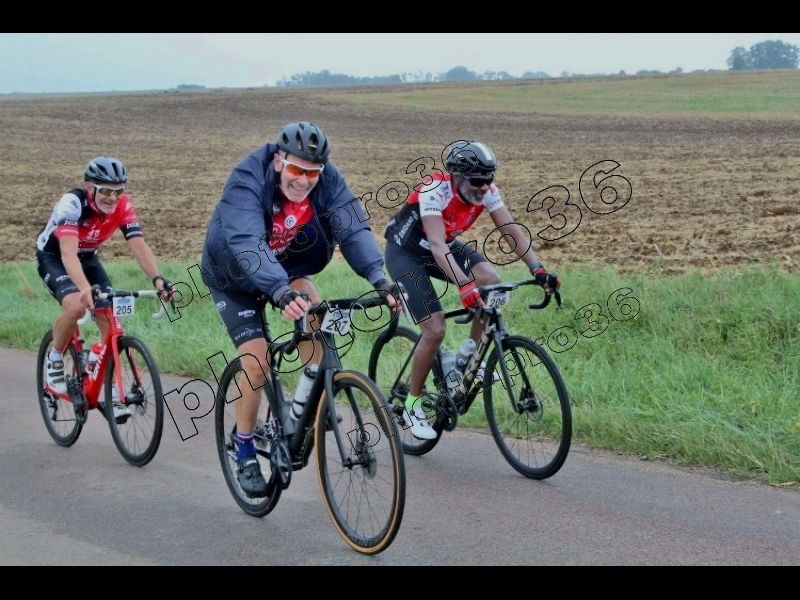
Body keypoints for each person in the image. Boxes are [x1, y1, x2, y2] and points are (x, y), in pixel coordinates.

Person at [200, 121, 402, 498]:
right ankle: (244, 450)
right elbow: (246, 241)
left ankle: (303, 404)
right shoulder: (247, 177)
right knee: (257, 364)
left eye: (312, 172)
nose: (304, 180)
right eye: (296, 169)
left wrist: (380, 279)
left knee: (318, 324)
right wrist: (278, 290)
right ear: (279, 161)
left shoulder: (327, 180)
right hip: (233, 274)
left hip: (283, 267)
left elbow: (353, 227)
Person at [383, 140, 561, 440]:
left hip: (443, 248)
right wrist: (464, 285)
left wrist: (537, 268)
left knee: (490, 281)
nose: (484, 187)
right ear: (457, 176)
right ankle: (412, 405)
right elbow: (436, 245)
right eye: (477, 180)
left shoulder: (487, 192)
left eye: (489, 179)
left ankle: (468, 361)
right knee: (435, 329)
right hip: (407, 254)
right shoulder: (435, 189)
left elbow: (510, 230)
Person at [36, 157, 173, 420]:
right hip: (55, 256)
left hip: (87, 257)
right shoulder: (72, 203)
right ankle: (55, 359)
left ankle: (109, 388)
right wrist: (84, 288)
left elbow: (138, 244)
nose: (113, 197)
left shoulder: (122, 205)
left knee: (111, 319)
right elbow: (67, 253)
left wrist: (158, 279)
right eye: (107, 190)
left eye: (118, 191)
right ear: (89, 186)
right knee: (76, 305)